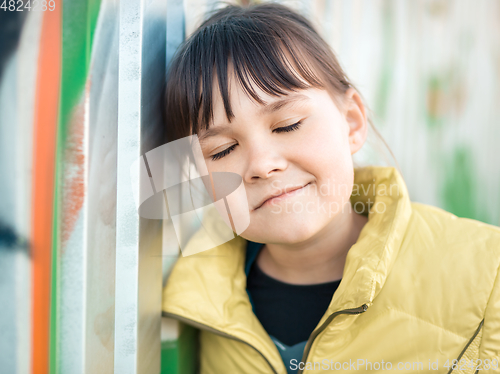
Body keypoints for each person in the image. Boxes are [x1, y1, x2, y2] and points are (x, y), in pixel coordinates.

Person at [161, 3, 500, 374]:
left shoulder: (487, 274)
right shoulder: (192, 301)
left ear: (352, 122)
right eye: (222, 150)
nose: (261, 164)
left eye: (287, 124)